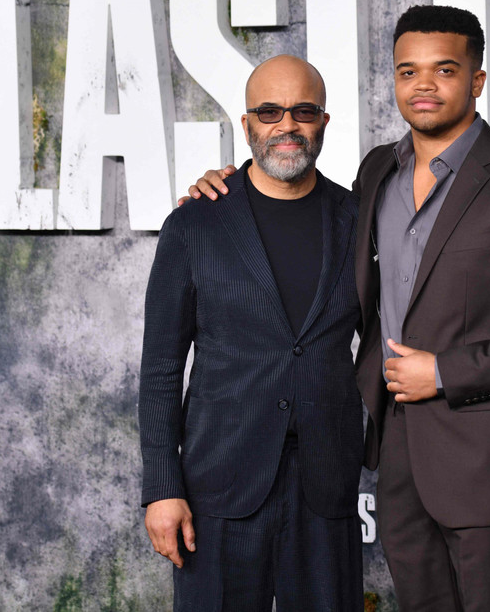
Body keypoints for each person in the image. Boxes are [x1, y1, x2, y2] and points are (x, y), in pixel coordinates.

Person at [190, 5, 490, 612]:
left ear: (477, 81)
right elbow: (301, 203)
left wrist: (445, 372)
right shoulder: (379, 171)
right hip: (400, 463)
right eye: (409, 71)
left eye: (444, 70)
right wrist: (230, 186)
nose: (424, 85)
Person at [139, 55, 364, 612]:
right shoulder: (195, 223)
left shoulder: (358, 220)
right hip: (218, 484)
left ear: (324, 122)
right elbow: (161, 368)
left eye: (303, 111)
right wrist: (162, 487)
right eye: (269, 112)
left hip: (326, 486)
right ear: (246, 126)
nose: (287, 125)